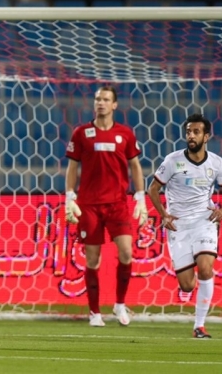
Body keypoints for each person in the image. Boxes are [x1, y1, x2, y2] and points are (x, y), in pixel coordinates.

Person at [64, 86, 148, 327]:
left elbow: (135, 166)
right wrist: (70, 196)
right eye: (97, 99)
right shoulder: (81, 133)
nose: (100, 103)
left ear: (114, 105)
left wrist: (140, 197)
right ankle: (94, 312)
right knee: (92, 260)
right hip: (89, 205)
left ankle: (120, 304)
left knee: (126, 252)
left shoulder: (126, 134)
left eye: (105, 99)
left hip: (118, 203)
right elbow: (72, 168)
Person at [147, 113, 222, 339]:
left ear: (206, 136)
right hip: (178, 227)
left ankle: (199, 326)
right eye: (188, 132)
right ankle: (190, 286)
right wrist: (164, 215)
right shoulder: (172, 160)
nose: (191, 136)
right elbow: (153, 189)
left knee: (206, 268)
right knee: (187, 285)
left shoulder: (216, 163)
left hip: (204, 222)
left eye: (196, 132)